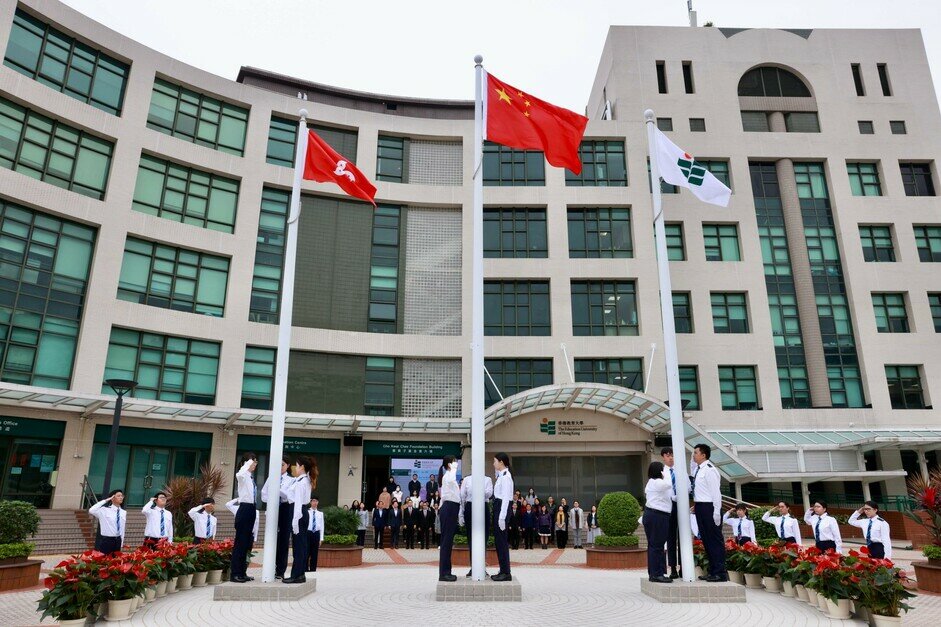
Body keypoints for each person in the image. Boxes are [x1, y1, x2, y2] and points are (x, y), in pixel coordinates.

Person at [691, 443, 727, 582]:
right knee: (706, 540)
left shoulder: (710, 470)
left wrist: (716, 513)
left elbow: (715, 493)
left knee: (714, 541)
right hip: (700, 507)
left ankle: (720, 572)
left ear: (703, 455)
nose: (694, 455)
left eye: (695, 452)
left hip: (710, 508)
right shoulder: (699, 470)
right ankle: (712, 571)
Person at [283, 455, 316, 584]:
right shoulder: (302, 480)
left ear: (302, 466)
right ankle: (300, 574)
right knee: (300, 545)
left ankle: (296, 575)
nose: (295, 468)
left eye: (296, 465)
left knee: (299, 546)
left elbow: (297, 503)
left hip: (298, 512)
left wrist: (295, 522)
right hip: (300, 512)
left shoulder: (302, 482)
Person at [261, 456, 294, 579]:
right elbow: (264, 494)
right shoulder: (271, 477)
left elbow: (289, 496)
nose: (280, 467)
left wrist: (278, 490)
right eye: (278, 465)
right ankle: (269, 567)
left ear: (288, 466)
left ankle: (280, 570)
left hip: (285, 509)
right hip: (273, 507)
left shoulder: (291, 480)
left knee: (283, 540)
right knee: (271, 538)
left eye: (283, 465)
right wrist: (271, 497)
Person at [643, 461, 674, 583]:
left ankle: (654, 573)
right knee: (657, 545)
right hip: (658, 516)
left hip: (653, 514)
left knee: (653, 545)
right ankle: (657, 574)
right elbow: (668, 484)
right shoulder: (657, 482)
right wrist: (666, 472)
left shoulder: (652, 483)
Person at [459, 471, 493, 576]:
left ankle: (482, 566)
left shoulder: (487, 479)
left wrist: (478, 490)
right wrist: (461, 513)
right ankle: (473, 567)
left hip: (483, 506)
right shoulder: (467, 479)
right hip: (470, 507)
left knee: (484, 537)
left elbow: (489, 493)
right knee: (471, 537)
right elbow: (462, 496)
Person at [230, 452, 258, 583]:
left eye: (255, 462)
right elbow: (239, 474)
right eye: (253, 461)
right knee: (240, 543)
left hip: (251, 508)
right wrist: (247, 463)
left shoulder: (251, 477)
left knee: (247, 544)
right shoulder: (243, 475)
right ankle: (235, 573)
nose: (255, 465)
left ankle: (242, 572)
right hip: (245, 508)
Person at [491, 452, 514, 582]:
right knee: (499, 542)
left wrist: (502, 517)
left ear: (501, 462)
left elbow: (506, 498)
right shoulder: (501, 475)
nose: (493, 464)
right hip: (498, 507)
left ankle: (506, 572)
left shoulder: (506, 477)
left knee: (501, 542)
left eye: (495, 461)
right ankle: (503, 569)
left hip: (501, 508)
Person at [437, 455, 461, 582]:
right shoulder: (448, 476)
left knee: (448, 541)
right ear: (449, 465)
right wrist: (453, 468)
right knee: (446, 541)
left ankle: (447, 571)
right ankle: (444, 573)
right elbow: (452, 479)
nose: (456, 464)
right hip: (449, 507)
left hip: (452, 508)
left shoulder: (448, 476)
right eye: (454, 462)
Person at [661, 447, 681, 579]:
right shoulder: (662, 472)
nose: (671, 457)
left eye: (672, 455)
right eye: (668, 455)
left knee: (683, 536)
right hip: (669, 505)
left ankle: (684, 567)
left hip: (681, 504)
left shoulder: (680, 470)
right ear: (663, 456)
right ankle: (673, 567)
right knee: (671, 537)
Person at [89, 489, 126, 554]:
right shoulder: (104, 510)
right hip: (107, 540)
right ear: (112, 498)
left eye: (122, 496)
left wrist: (121, 542)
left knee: (115, 561)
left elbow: (122, 528)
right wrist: (106, 500)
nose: (121, 497)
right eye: (118, 496)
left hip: (118, 540)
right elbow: (91, 510)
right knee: (104, 561)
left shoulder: (123, 512)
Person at [307, 495, 324, 572]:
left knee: (314, 553)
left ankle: (313, 569)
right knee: (307, 552)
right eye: (313, 501)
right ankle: (305, 568)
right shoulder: (307, 512)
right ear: (310, 502)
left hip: (316, 533)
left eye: (316, 501)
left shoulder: (320, 513)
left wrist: (321, 538)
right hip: (308, 533)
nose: (315, 503)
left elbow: (322, 527)